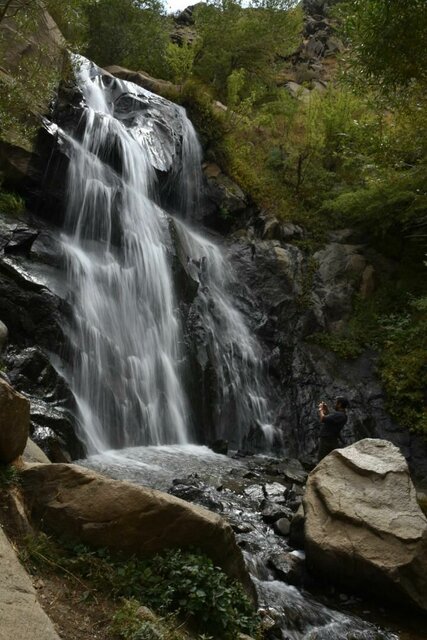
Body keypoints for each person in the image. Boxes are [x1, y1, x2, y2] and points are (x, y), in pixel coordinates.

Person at [317, 396, 350, 462]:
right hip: (333, 439)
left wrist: (320, 409)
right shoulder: (343, 415)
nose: (335, 404)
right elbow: (331, 419)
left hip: (327, 439)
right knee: (329, 459)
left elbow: (323, 419)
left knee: (321, 459)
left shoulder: (339, 415)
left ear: (339, 404)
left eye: (336, 403)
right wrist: (326, 410)